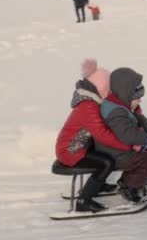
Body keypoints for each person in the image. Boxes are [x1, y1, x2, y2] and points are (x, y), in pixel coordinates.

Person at [55, 59, 133, 213]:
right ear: (101, 88)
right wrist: (127, 145)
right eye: (109, 89)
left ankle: (97, 184)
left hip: (81, 147)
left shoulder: (93, 102)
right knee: (106, 163)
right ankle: (84, 201)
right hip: (70, 151)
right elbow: (102, 134)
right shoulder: (88, 107)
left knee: (105, 155)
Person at [96, 67, 147, 204]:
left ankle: (134, 180)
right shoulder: (115, 112)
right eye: (137, 97)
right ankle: (129, 187)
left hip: (116, 148)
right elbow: (127, 135)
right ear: (126, 93)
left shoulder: (120, 102)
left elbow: (137, 116)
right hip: (112, 153)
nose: (140, 101)